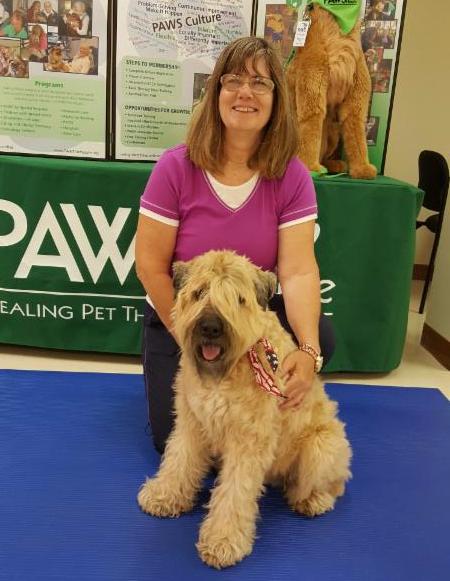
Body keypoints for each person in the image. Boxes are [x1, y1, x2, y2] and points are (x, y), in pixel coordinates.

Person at [135, 36, 335, 454]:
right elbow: (151, 267)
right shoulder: (175, 167)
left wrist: (308, 351)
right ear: (216, 93)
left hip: (247, 314)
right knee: (173, 438)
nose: (245, 92)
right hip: (186, 316)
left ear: (277, 100)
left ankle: (266, 412)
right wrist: (188, 334)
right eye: (233, 80)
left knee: (320, 337)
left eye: (260, 83)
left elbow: (298, 271)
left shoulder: (292, 175)